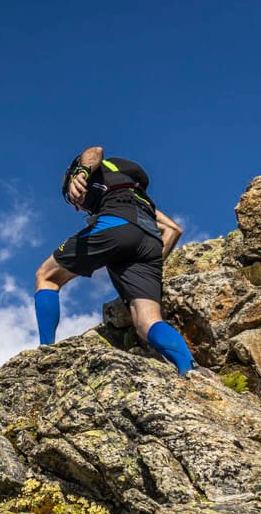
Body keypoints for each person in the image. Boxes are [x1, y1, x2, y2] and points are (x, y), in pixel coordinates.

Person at [33, 147, 199, 376]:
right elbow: (173, 229)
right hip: (149, 240)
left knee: (46, 276)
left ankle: (44, 352)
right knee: (146, 322)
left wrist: (79, 173)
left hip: (116, 223)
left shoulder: (95, 170)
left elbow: (94, 150)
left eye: (74, 201)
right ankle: (190, 369)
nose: (77, 206)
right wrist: (149, 267)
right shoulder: (136, 193)